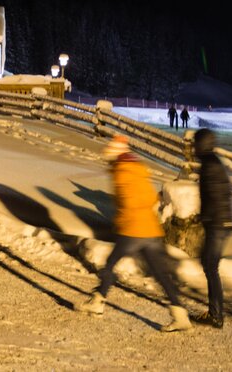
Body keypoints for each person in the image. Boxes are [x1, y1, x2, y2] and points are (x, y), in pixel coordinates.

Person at [76, 135, 192, 332]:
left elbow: (128, 202)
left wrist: (123, 215)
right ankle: (180, 315)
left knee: (110, 265)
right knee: (160, 273)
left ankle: (97, 301)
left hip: (132, 229)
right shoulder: (138, 168)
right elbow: (149, 197)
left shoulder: (122, 172)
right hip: (150, 229)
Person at [192, 129, 232, 329]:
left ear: (202, 144)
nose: (193, 147)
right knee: (209, 265)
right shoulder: (212, 162)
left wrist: (206, 217)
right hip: (220, 222)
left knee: (210, 266)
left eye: (196, 143)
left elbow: (215, 195)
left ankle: (216, 315)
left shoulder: (209, 165)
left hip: (218, 223)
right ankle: (215, 312)